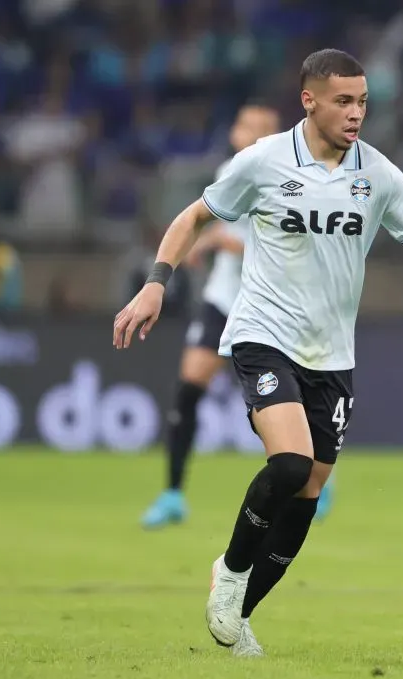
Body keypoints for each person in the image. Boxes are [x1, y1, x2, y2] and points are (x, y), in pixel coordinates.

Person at [112, 49, 403, 657]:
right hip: (263, 334)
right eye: (343, 100)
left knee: (308, 492)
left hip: (332, 355)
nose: (356, 112)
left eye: (363, 101)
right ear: (309, 100)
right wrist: (156, 282)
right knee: (288, 465)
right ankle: (230, 574)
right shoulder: (262, 162)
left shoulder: (378, 173)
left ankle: (240, 614)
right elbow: (194, 218)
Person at [140, 102, 291, 529]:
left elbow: (285, 250)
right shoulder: (229, 170)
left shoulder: (288, 179)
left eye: (264, 128)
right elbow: (209, 222)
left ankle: (312, 474)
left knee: (275, 404)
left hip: (268, 303)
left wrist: (217, 244)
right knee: (189, 390)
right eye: (247, 125)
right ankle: (172, 495)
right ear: (235, 132)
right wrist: (203, 241)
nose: (254, 134)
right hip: (223, 298)